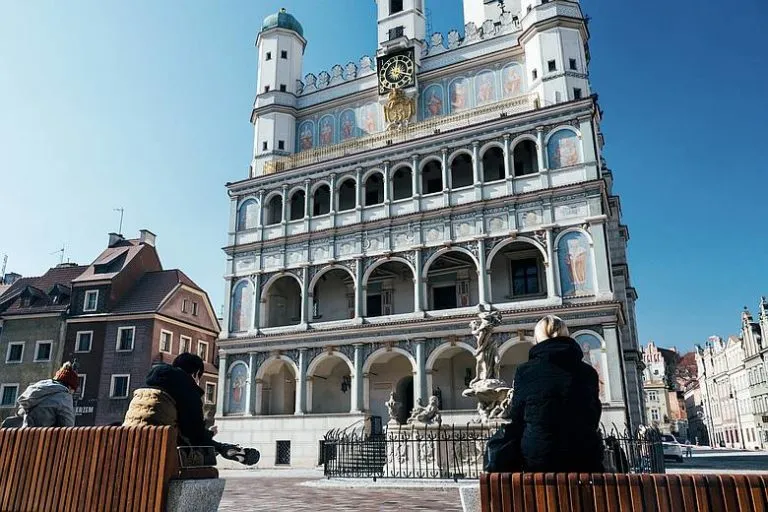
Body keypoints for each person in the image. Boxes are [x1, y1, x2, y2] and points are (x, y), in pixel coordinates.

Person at [485, 315, 604, 473]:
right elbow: (594, 416)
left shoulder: (525, 371)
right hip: (584, 460)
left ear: (537, 338)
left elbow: (518, 417)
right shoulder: (588, 373)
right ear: (566, 335)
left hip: (538, 461)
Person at [123, 353, 258, 466]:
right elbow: (194, 434)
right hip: (162, 454)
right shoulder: (188, 389)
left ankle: (223, 448)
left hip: (127, 449)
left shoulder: (145, 388)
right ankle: (224, 449)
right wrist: (209, 436)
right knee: (203, 457)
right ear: (196, 374)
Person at [15, 362, 79, 428]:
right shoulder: (65, 397)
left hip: (23, 432)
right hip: (44, 436)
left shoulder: (36, 387)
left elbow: (19, 413)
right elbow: (68, 426)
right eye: (73, 391)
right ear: (70, 387)